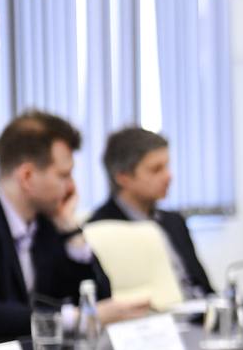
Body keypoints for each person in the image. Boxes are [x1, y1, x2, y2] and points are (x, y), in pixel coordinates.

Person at [0, 110, 150, 342]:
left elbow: (99, 298)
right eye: (64, 175)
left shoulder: (47, 221)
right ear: (27, 177)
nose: (71, 187)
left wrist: (70, 230)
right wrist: (72, 319)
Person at [88, 126, 214, 298]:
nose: (168, 176)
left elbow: (205, 288)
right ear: (123, 177)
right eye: (156, 169)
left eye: (167, 166)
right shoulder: (100, 229)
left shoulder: (174, 221)